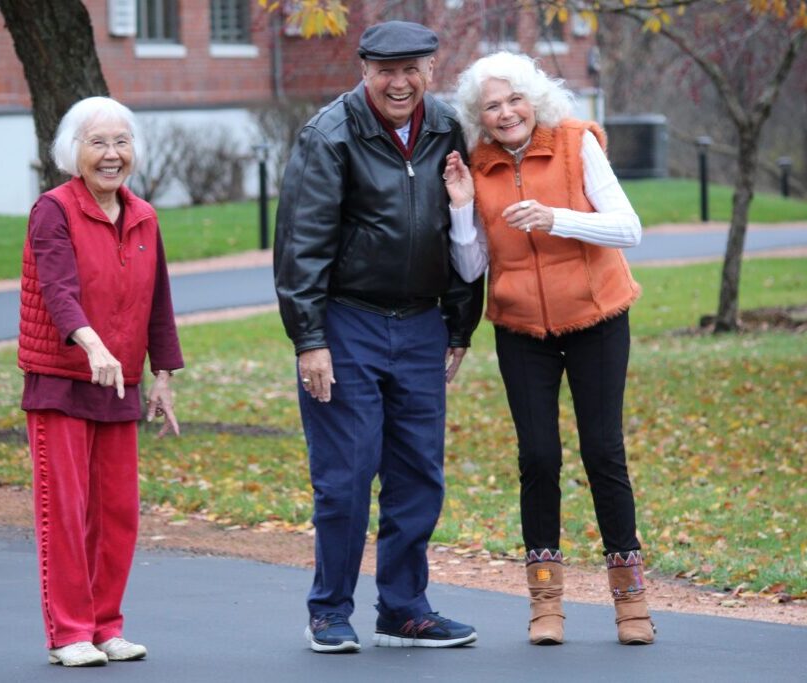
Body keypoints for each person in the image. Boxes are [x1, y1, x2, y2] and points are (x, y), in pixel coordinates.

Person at [274, 21, 484, 654]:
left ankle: (404, 608)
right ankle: (330, 610)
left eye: (412, 69)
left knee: (419, 472)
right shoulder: (330, 135)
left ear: (429, 70)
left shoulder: (447, 127)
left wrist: (458, 323)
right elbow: (300, 247)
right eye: (385, 71)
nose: (400, 82)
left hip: (421, 324)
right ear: (363, 70)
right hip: (347, 323)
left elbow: (464, 227)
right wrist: (310, 340)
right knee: (345, 475)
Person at [442, 51, 654, 646]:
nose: (506, 112)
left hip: (596, 317)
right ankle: (545, 605)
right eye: (492, 105)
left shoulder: (573, 142)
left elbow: (628, 228)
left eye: (515, 99)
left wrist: (558, 218)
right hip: (521, 328)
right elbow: (470, 267)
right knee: (537, 458)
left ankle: (631, 602)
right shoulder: (477, 168)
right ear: (478, 117)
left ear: (535, 98)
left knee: (602, 453)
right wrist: (462, 210)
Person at [17, 96, 183, 666]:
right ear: (73, 152)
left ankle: (105, 625)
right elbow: (57, 289)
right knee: (65, 511)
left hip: (118, 385)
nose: (111, 155)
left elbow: (158, 302)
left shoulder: (143, 216)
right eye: (98, 143)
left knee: (117, 514)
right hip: (62, 380)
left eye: (121, 143)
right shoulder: (53, 210)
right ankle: (69, 633)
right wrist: (91, 345)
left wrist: (161, 377)